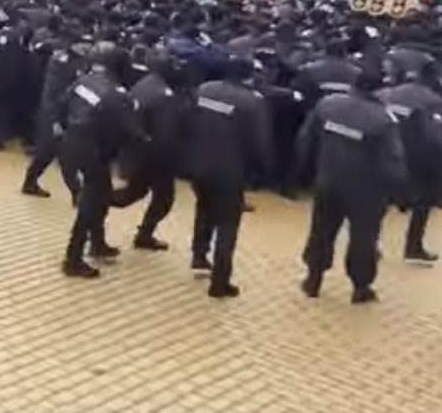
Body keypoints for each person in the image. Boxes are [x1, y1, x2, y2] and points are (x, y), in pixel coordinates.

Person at [297, 66, 407, 303]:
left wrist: (302, 174)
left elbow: (305, 139)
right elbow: (393, 162)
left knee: (321, 231)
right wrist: (400, 194)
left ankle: (313, 279)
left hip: (328, 181)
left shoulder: (328, 105)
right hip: (366, 192)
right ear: (380, 91)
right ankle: (360, 287)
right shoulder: (383, 120)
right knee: (363, 238)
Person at [187, 57, 272, 298]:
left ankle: (199, 256)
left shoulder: (204, 89)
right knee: (227, 224)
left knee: (203, 208)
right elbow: (259, 142)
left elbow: (188, 121)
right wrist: (261, 172)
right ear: (248, 76)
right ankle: (220, 282)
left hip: (198, 164)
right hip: (230, 170)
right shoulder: (253, 102)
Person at [59, 46, 145, 279]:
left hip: (73, 141)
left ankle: (97, 243)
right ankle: (73, 259)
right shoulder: (118, 95)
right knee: (91, 203)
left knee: (102, 194)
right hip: (94, 151)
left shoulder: (86, 80)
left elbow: (63, 103)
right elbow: (131, 132)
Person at [111, 51, 188, 250]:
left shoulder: (144, 84)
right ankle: (143, 234)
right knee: (163, 198)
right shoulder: (164, 95)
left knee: (133, 193)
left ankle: (96, 200)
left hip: (135, 150)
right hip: (154, 156)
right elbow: (166, 133)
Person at [377, 63, 442, 262]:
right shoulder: (433, 100)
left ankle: (371, 243)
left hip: (388, 153)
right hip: (419, 158)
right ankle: (413, 248)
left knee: (381, 201)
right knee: (423, 202)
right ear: (433, 78)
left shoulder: (388, 94)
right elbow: (434, 136)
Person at [21, 39, 83, 200]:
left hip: (66, 115)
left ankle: (30, 182)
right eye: (82, 43)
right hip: (53, 115)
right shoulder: (61, 62)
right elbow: (52, 95)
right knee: (56, 154)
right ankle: (77, 192)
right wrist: (55, 120)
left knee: (52, 154)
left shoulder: (79, 60)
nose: (86, 48)